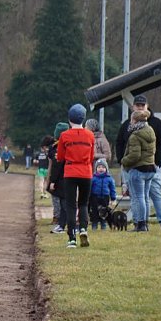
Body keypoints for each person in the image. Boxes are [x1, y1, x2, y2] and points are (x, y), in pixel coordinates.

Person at [115, 95, 161, 231]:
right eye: (138, 105)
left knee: (151, 195)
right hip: (138, 167)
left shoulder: (155, 123)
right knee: (140, 196)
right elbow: (119, 143)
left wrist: (157, 161)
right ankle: (140, 222)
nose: (140, 107)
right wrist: (121, 162)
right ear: (133, 107)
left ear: (147, 106)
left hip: (147, 166)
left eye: (142, 105)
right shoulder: (128, 125)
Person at [57, 104, 95, 248]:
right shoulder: (90, 135)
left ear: (69, 119)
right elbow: (91, 157)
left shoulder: (64, 135)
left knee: (71, 205)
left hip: (71, 172)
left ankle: (71, 237)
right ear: (83, 119)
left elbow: (60, 157)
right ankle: (83, 229)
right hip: (86, 171)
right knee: (84, 203)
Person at [120, 109, 157, 232]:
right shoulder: (151, 131)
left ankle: (140, 224)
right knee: (145, 197)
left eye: (131, 120)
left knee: (138, 197)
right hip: (150, 168)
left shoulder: (135, 135)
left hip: (139, 169)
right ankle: (145, 223)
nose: (130, 123)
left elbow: (134, 156)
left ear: (135, 121)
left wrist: (123, 160)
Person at [47, 124, 69, 233]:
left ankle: (62, 224)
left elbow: (56, 165)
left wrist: (52, 181)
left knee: (64, 203)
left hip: (62, 179)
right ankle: (63, 223)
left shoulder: (58, 147)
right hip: (70, 176)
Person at [89, 159, 117, 230]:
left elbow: (112, 189)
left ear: (106, 169)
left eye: (103, 167)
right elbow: (90, 188)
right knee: (94, 211)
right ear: (96, 169)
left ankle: (103, 224)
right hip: (95, 197)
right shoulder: (93, 178)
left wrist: (113, 198)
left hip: (105, 197)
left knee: (104, 211)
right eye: (99, 167)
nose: (101, 169)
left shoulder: (109, 179)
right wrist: (89, 196)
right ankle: (94, 225)